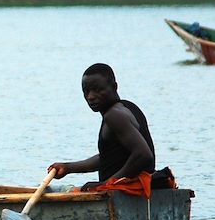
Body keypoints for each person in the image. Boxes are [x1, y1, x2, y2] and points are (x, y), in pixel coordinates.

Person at [49, 63, 155, 192]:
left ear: (114, 87)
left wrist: (106, 185)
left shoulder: (114, 115)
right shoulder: (128, 108)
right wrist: (68, 167)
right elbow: (109, 158)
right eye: (86, 91)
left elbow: (143, 155)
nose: (90, 97)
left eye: (97, 90)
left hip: (127, 192)